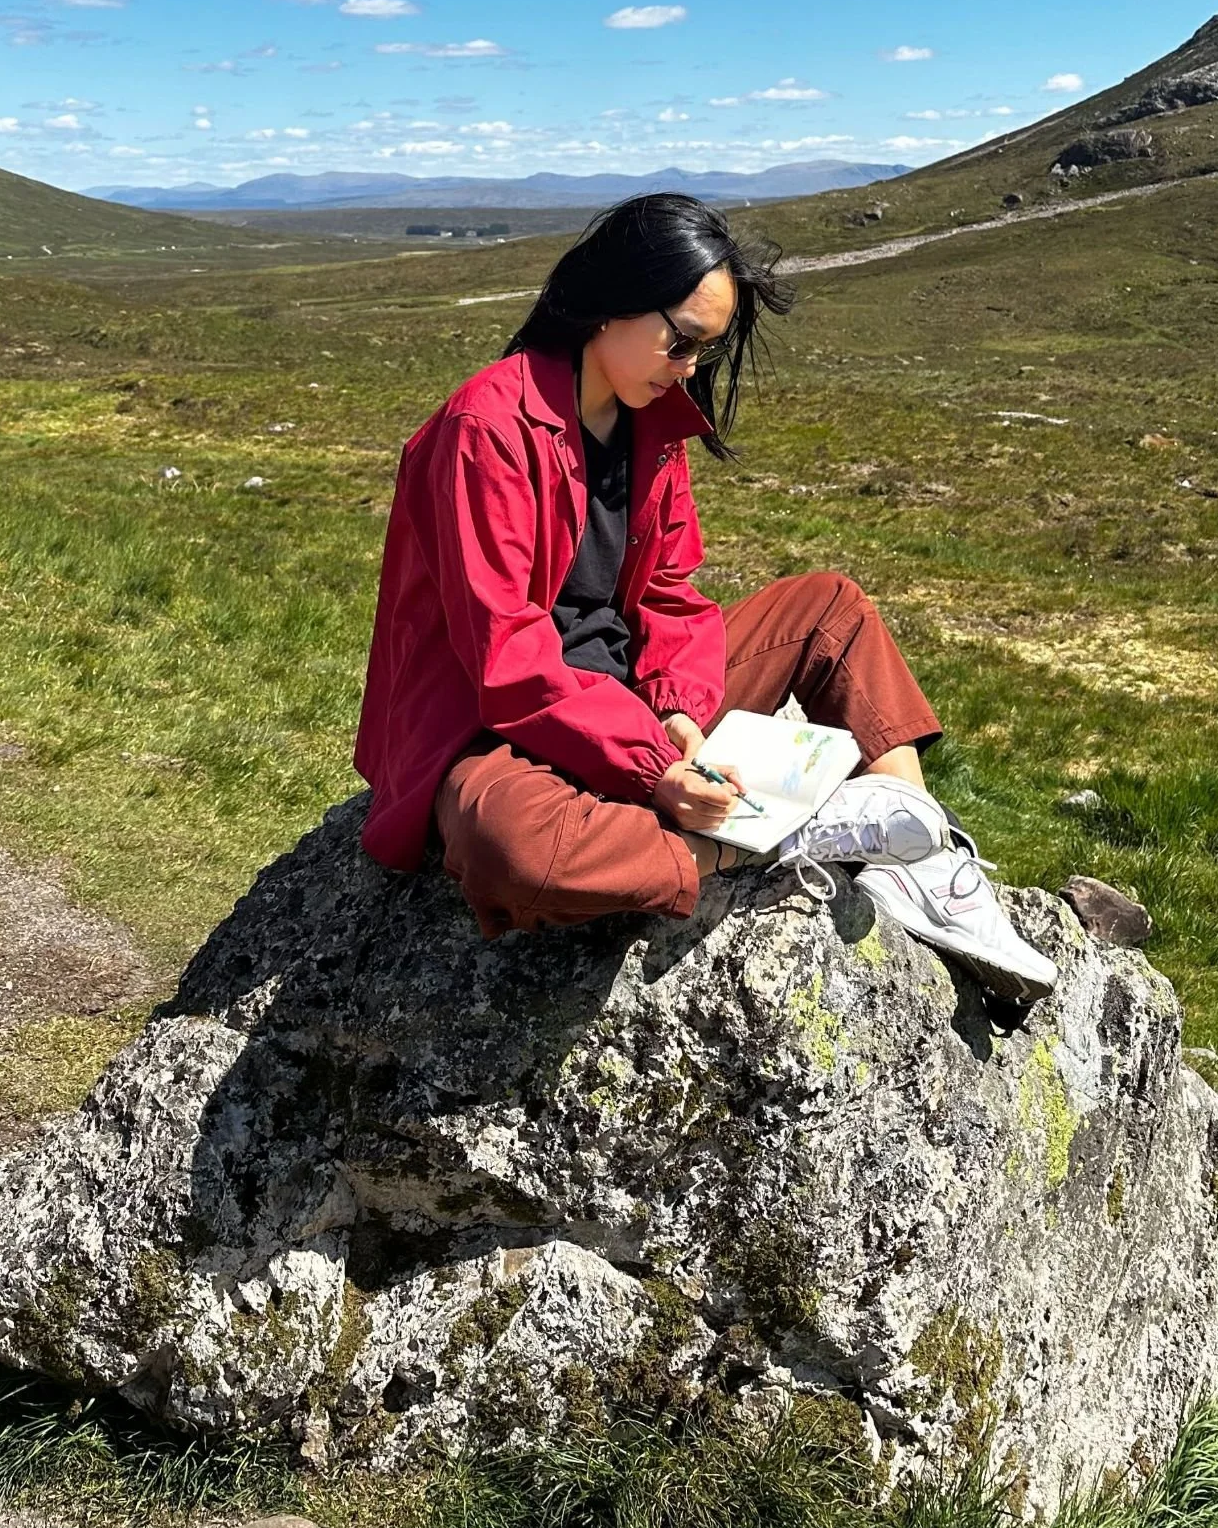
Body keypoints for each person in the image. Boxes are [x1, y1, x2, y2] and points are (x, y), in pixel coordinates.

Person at [354, 191, 1056, 999]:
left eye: (703, 352)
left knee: (830, 609)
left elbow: (669, 593)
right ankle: (766, 843)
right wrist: (655, 765)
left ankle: (919, 854)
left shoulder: (649, 421)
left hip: (630, 706)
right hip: (497, 726)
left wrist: (679, 709)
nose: (687, 369)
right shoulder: (488, 428)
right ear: (612, 299)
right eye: (680, 341)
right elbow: (507, 657)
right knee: (511, 846)